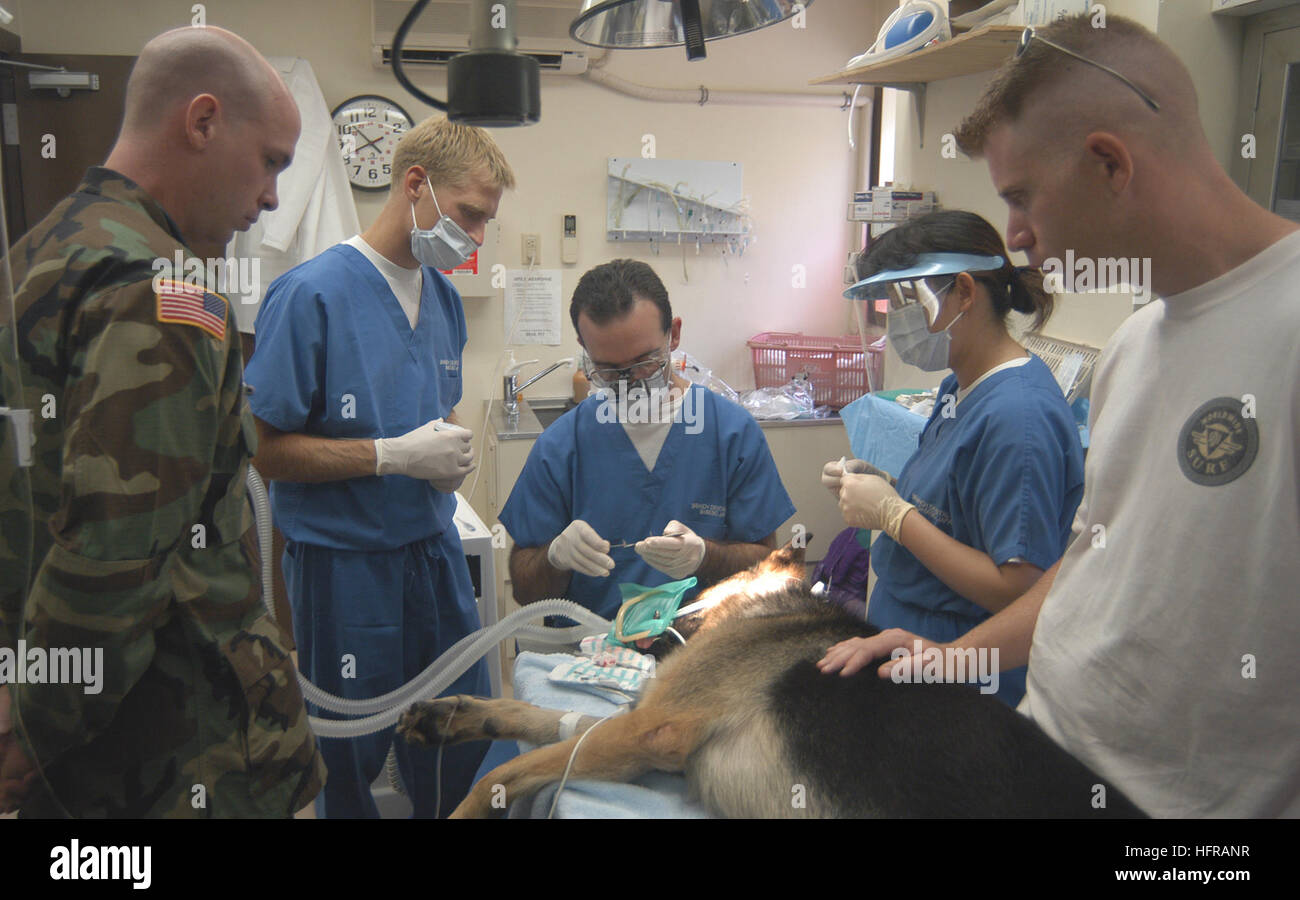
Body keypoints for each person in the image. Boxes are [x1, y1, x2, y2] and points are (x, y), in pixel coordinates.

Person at [821, 14, 1300, 817]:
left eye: (1020, 197)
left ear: (1109, 162)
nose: (1014, 236)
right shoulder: (1139, 343)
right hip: (1045, 756)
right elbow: (1086, 567)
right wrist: (949, 658)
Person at [0, 26, 325, 817]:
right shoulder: (165, 289)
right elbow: (117, 549)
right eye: (273, 160)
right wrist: (31, 731)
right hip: (177, 747)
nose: (274, 197)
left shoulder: (43, 250)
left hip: (92, 737)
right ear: (203, 121)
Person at [244, 116, 515, 818]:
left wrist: (449, 454)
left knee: (463, 730)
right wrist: (389, 457)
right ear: (416, 184)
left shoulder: (444, 298)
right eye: (470, 214)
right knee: (350, 755)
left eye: (488, 221)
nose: (478, 237)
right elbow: (265, 449)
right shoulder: (311, 295)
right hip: (345, 565)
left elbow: (434, 410)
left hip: (433, 554)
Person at [818, 211, 1084, 706]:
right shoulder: (958, 387)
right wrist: (887, 487)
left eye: (905, 299)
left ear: (965, 291)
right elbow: (957, 508)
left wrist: (895, 517)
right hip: (907, 649)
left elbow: (1018, 590)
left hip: (967, 675)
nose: (897, 320)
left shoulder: (1018, 418)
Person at [500, 259, 796, 619]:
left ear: (673, 334)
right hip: (591, 655)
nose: (631, 381)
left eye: (646, 362)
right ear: (584, 347)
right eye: (609, 369)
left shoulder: (730, 432)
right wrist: (554, 558)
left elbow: (774, 567)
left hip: (701, 651)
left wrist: (706, 555)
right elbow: (524, 588)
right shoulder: (563, 446)